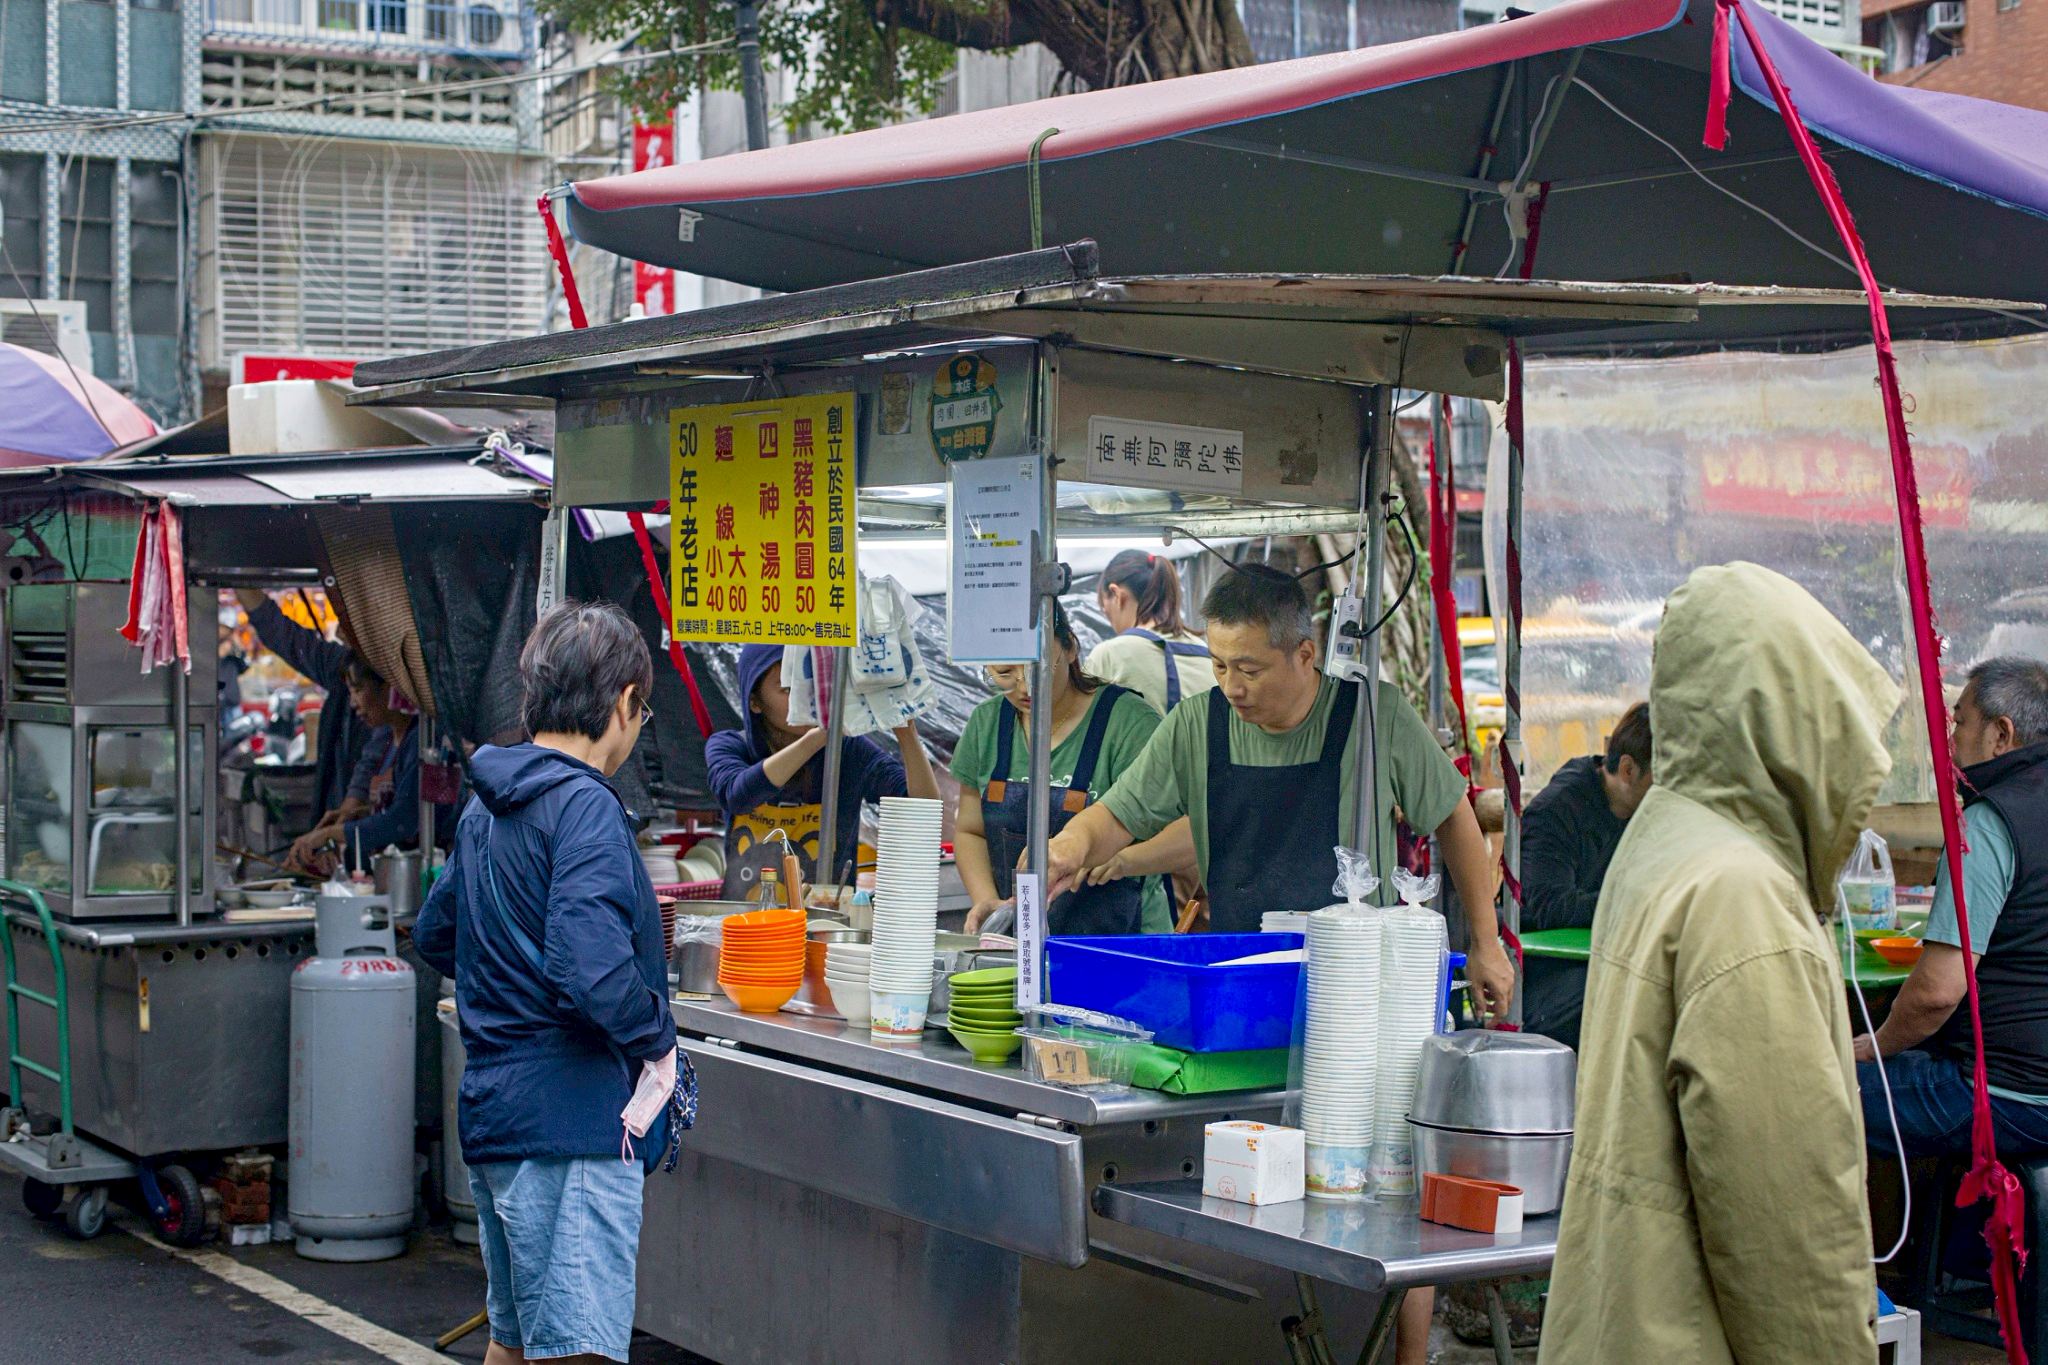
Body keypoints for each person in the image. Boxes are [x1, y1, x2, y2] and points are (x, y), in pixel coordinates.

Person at [1041, 563, 1513, 1365]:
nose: (1231, 685)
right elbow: (1114, 819)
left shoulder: (1372, 718)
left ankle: (1405, 1355)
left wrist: (1487, 939)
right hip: (1244, 1004)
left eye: (1249, 668)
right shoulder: (1198, 725)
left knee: (1391, 1186)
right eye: (1220, 665)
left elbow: (1456, 822)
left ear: (1305, 655)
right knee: (1270, 1202)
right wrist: (1055, 858)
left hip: (1365, 1001)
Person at [1541, 563, 1894, 1364]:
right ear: (1797, 720)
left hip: (1622, 1316)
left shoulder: (1664, 831)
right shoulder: (1745, 894)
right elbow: (1784, 1225)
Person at [413, 600, 676, 1365]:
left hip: (496, 1116)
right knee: (578, 1353)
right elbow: (591, 969)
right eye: (643, 708)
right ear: (625, 701)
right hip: (572, 1126)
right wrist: (656, 1031)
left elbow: (436, 933)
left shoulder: (487, 808)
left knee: (517, 1343)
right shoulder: (587, 806)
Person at [1853, 656, 2048, 1158]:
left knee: (1801, 1093)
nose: (1949, 739)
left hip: (2006, 1093)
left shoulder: (1991, 823)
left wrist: (1874, 1045)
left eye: (1959, 721)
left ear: (2001, 735)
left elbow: (1936, 994)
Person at [955, 602, 1185, 936]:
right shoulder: (986, 724)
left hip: (1123, 942)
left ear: (1071, 647)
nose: (1023, 686)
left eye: (1036, 669)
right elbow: (970, 830)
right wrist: (988, 901)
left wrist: (1119, 860)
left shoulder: (1130, 724)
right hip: (1023, 941)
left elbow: (1187, 832)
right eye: (1004, 674)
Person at [706, 644, 939, 899]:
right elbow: (737, 795)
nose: (804, 698)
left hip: (825, 920)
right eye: (788, 689)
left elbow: (922, 808)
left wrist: (906, 730)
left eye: (812, 683)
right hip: (746, 924)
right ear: (754, 702)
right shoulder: (729, 746)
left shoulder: (848, 751)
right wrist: (821, 735)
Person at [1517, 702, 1653, 1048]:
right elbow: (1551, 906)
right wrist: (1636, 906)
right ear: (1627, 769)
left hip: (1609, 958)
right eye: (1663, 781)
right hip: (1546, 978)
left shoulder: (1648, 817)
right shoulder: (1556, 812)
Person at [234, 588, 373, 828]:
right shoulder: (340, 666)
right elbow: (285, 637)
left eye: (347, 621)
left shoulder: (401, 696)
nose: (339, 633)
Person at [285, 657, 423, 875]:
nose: (353, 703)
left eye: (358, 690)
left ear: (388, 687)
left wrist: (330, 834)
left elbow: (402, 820)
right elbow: (395, 809)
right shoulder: (388, 743)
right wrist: (358, 816)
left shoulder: (419, 742)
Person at [1086, 549, 1217, 714]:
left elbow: (1078, 727)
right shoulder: (1207, 652)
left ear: (1116, 594)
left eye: (1105, 610)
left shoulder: (1109, 655)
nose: (1111, 623)